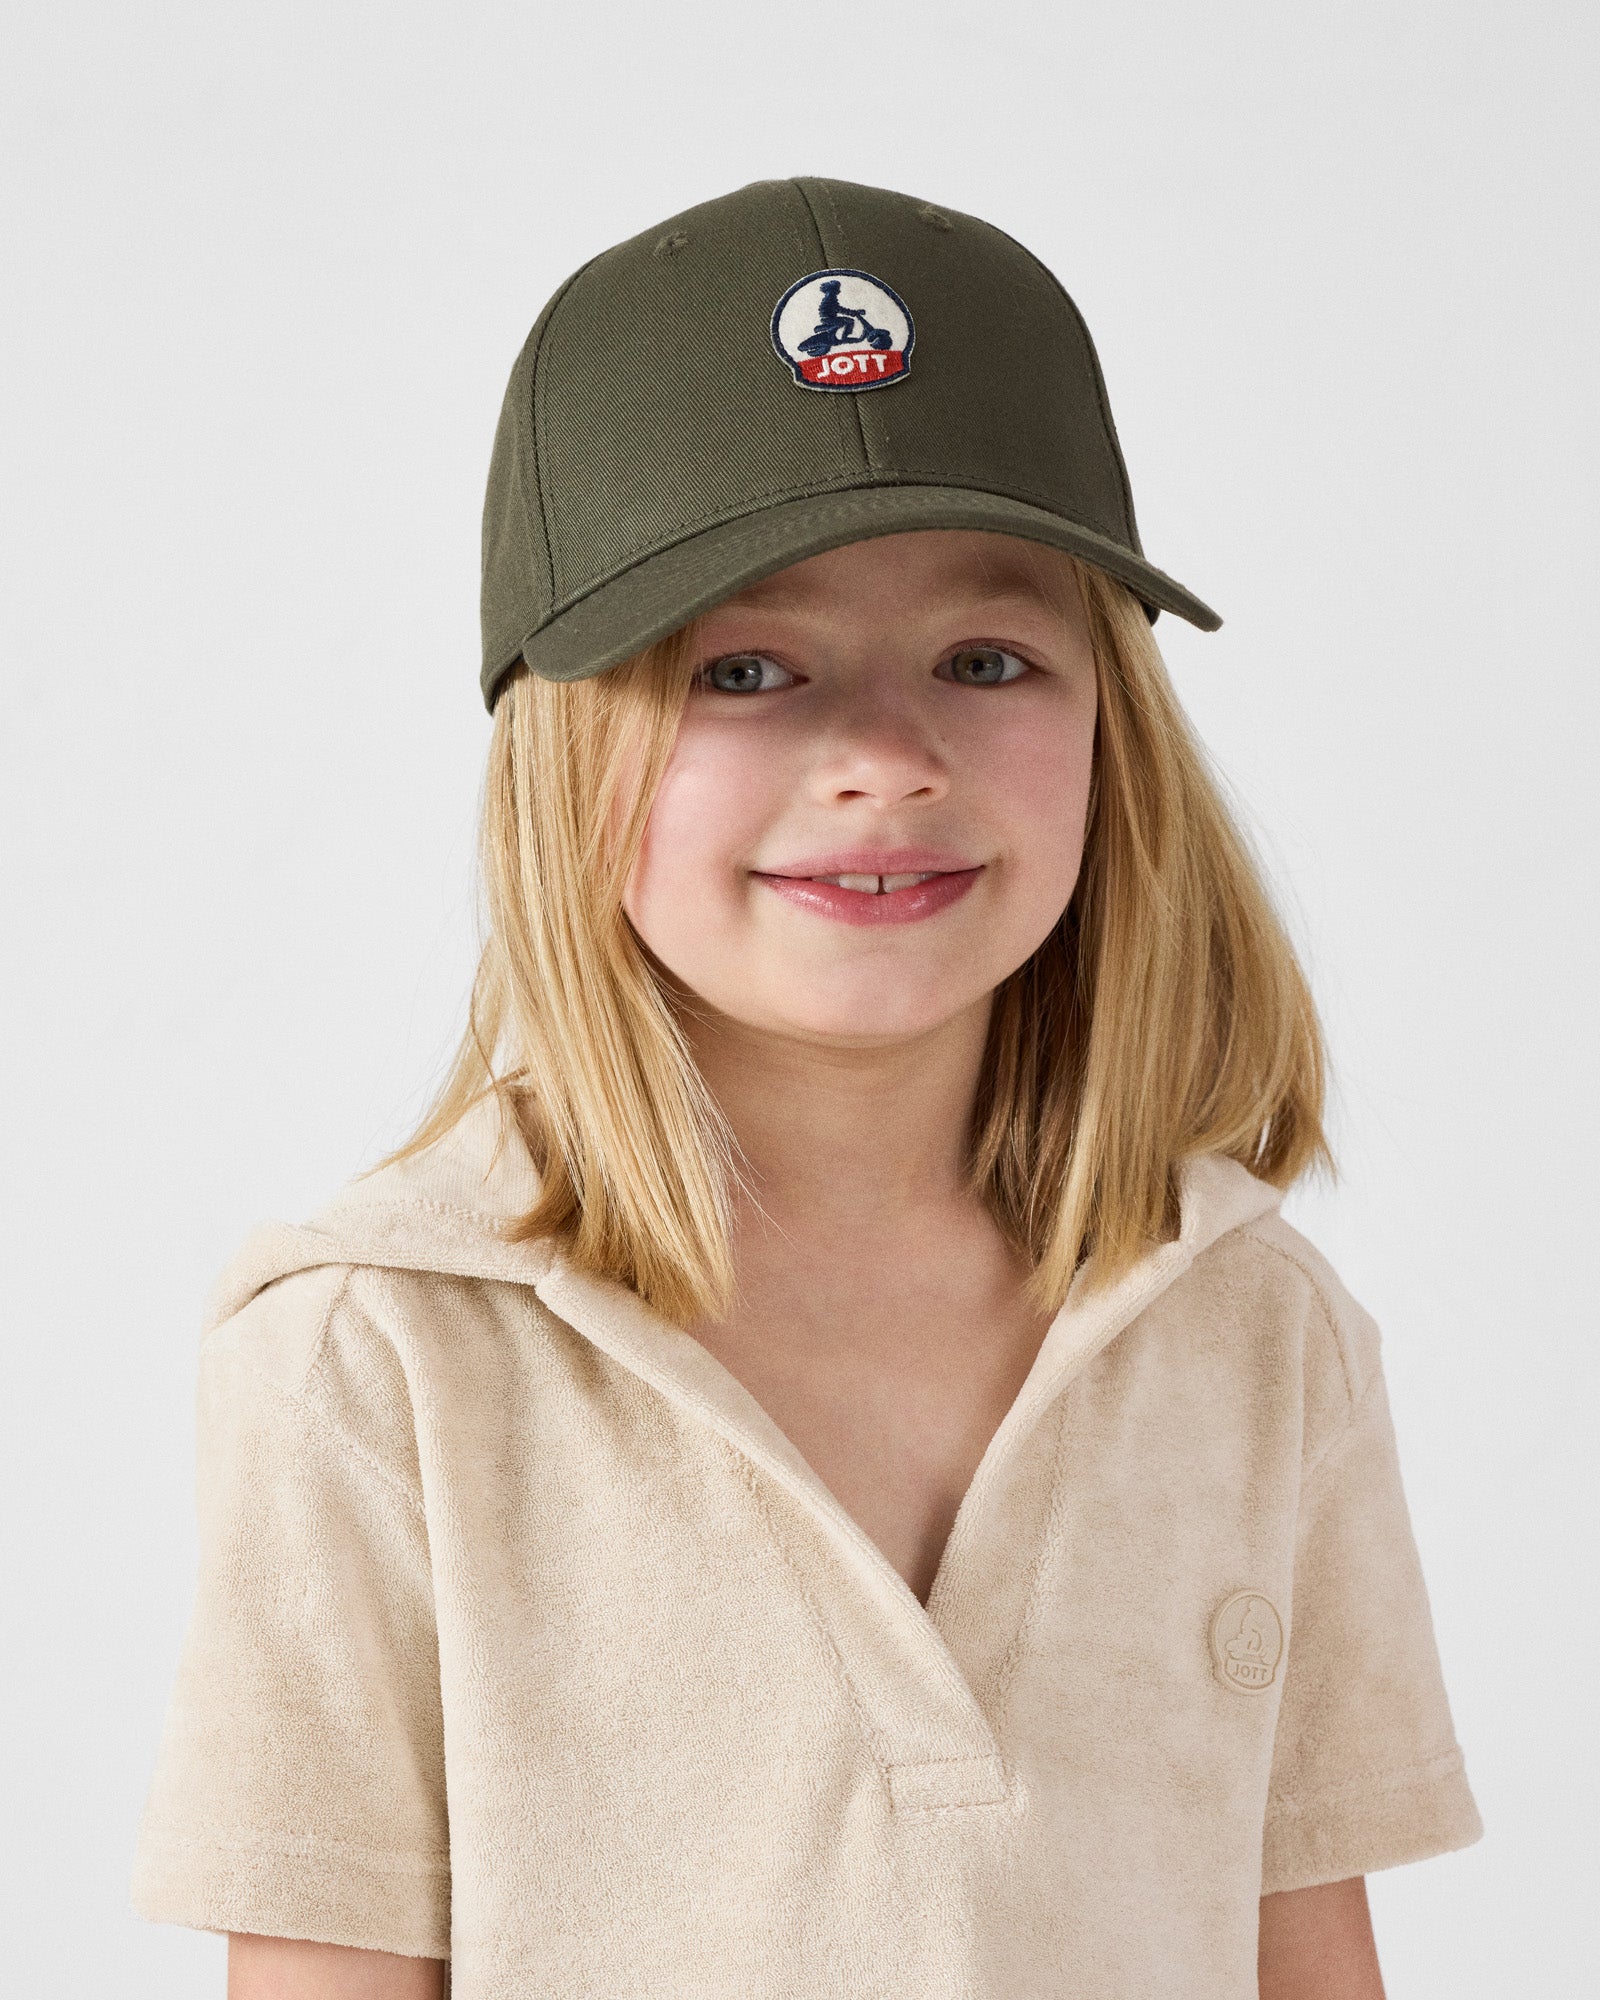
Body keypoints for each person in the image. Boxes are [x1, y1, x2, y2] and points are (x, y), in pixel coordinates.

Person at [129, 178, 1483, 1999]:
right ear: (561, 745)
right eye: (747, 669)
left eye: (986, 659)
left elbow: (1311, 1962)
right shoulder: (379, 1356)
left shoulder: (1252, 1331)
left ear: (1114, 727)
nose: (885, 761)